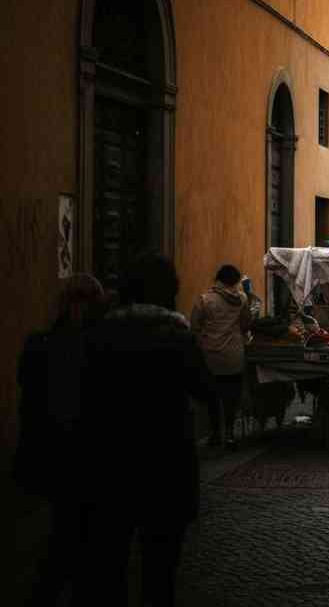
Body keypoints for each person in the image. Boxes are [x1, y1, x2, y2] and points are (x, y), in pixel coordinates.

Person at [77, 253, 214, 607]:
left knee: (110, 565)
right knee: (161, 570)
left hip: (110, 464)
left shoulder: (99, 335)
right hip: (168, 465)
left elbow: (81, 396)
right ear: (170, 289)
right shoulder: (177, 336)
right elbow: (205, 391)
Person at [15, 273, 110, 607]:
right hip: (91, 457)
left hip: (52, 454)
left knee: (63, 531)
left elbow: (28, 396)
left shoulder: (38, 344)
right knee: (87, 542)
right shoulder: (106, 348)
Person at [190, 264, 252, 450]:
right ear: (235, 281)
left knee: (212, 397)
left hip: (210, 356)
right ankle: (230, 433)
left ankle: (216, 434)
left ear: (218, 278)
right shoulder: (241, 299)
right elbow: (246, 324)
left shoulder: (204, 300)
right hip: (234, 355)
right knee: (231, 397)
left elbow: (194, 328)